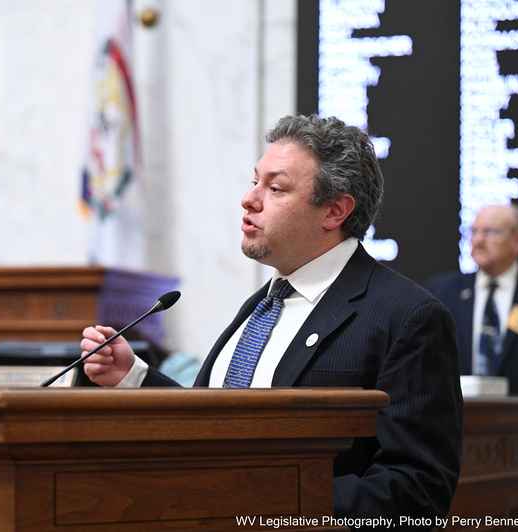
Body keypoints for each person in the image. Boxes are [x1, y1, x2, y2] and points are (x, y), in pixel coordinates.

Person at [80, 115, 463, 521]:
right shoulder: (262, 304)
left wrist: (268, 506)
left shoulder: (407, 317)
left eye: (276, 188)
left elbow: (419, 489)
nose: (250, 199)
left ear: (334, 211)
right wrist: (134, 376)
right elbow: (216, 427)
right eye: (254, 181)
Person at [427, 204, 518, 395]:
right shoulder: (442, 292)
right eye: (474, 231)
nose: (477, 240)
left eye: (490, 232)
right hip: (458, 416)